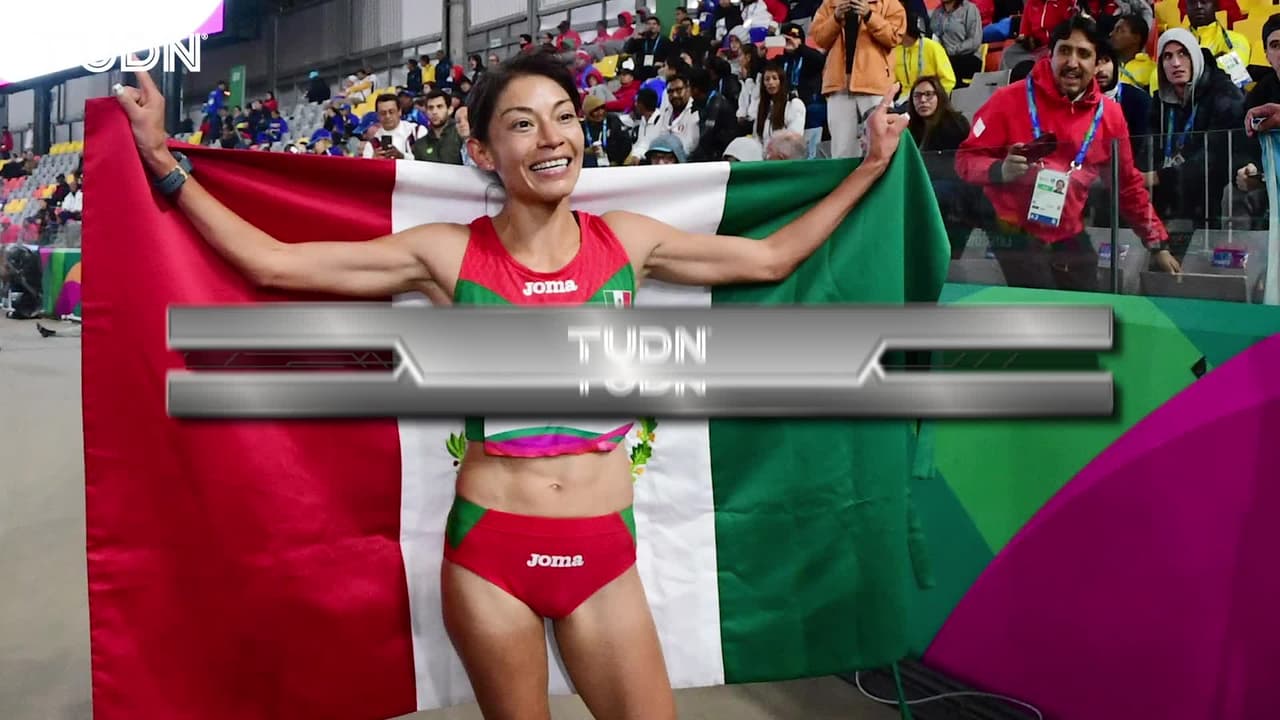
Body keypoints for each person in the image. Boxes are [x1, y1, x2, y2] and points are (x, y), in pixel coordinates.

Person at [113, 51, 909, 720]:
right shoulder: (445, 254)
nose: (552, 137)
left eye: (564, 117)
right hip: (491, 556)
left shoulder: (627, 243)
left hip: (605, 556)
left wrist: (872, 165)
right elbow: (273, 264)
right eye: (523, 124)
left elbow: (770, 259)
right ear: (485, 152)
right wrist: (164, 163)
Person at [956, 15, 1179, 291]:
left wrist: (1157, 243)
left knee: (1088, 302)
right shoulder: (1007, 99)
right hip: (1014, 230)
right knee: (1044, 303)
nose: (1072, 62)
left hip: (1067, 229)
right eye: (1064, 51)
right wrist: (999, 170)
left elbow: (1127, 186)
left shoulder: (1110, 115)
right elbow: (965, 159)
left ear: (1097, 63)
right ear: (1050, 55)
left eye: (1083, 54)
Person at [1141, 28, 1245, 260]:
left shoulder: (1224, 93)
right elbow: (1147, 150)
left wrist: (1157, 177)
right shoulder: (1160, 101)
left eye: (1183, 54)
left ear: (1195, 57)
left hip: (1211, 199)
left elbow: (1215, 157)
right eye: (1167, 56)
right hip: (1169, 199)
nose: (1176, 63)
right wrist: (1138, 176)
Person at [812, 0, 908, 158]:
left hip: (874, 85)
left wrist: (870, 16)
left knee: (881, 144)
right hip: (838, 86)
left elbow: (894, 37)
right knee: (841, 149)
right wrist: (835, 18)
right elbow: (818, 38)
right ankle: (846, 176)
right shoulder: (830, 3)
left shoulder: (889, 3)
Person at [907, 76, 983, 258]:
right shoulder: (910, 128)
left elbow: (963, 164)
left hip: (955, 193)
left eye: (928, 95)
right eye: (917, 96)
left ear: (939, 96)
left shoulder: (955, 123)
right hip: (926, 190)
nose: (923, 100)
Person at [1231, 14, 1280, 228]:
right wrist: (1249, 169)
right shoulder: (1259, 94)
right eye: (1275, 46)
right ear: (1267, 55)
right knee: (1233, 193)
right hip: (1270, 182)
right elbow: (1242, 143)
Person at [891, 11, 958, 103]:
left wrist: (936, 100)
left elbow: (948, 80)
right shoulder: (896, 50)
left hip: (929, 98)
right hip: (905, 100)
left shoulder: (932, 47)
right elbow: (891, 81)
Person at [1184, 0, 1252, 89]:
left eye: (1204, 1)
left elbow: (1233, 73)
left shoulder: (1236, 39)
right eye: (1192, 2)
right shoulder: (1177, 42)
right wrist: (1216, 60)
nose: (1198, 6)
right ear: (1186, 7)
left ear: (1215, 6)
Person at [361, 93, 429, 159]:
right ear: (378, 116)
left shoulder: (417, 131)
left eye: (391, 112)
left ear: (400, 112)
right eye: (383, 113)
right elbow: (365, 166)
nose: (387, 116)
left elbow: (427, 160)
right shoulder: (372, 145)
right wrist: (373, 161)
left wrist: (403, 157)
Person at [931, 0, 984, 85]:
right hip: (943, 58)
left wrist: (952, 50)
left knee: (945, 66)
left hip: (968, 57)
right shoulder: (936, 13)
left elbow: (974, 41)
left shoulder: (969, 9)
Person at [755, 62, 808, 144]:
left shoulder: (793, 104)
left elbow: (794, 137)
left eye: (774, 78)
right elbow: (758, 137)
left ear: (781, 81)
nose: (770, 82)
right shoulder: (763, 106)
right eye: (767, 79)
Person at [1109, 14, 1156, 90]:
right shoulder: (1107, 66)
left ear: (1136, 38)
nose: (1111, 34)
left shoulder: (1152, 70)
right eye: (1113, 30)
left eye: (1119, 30)